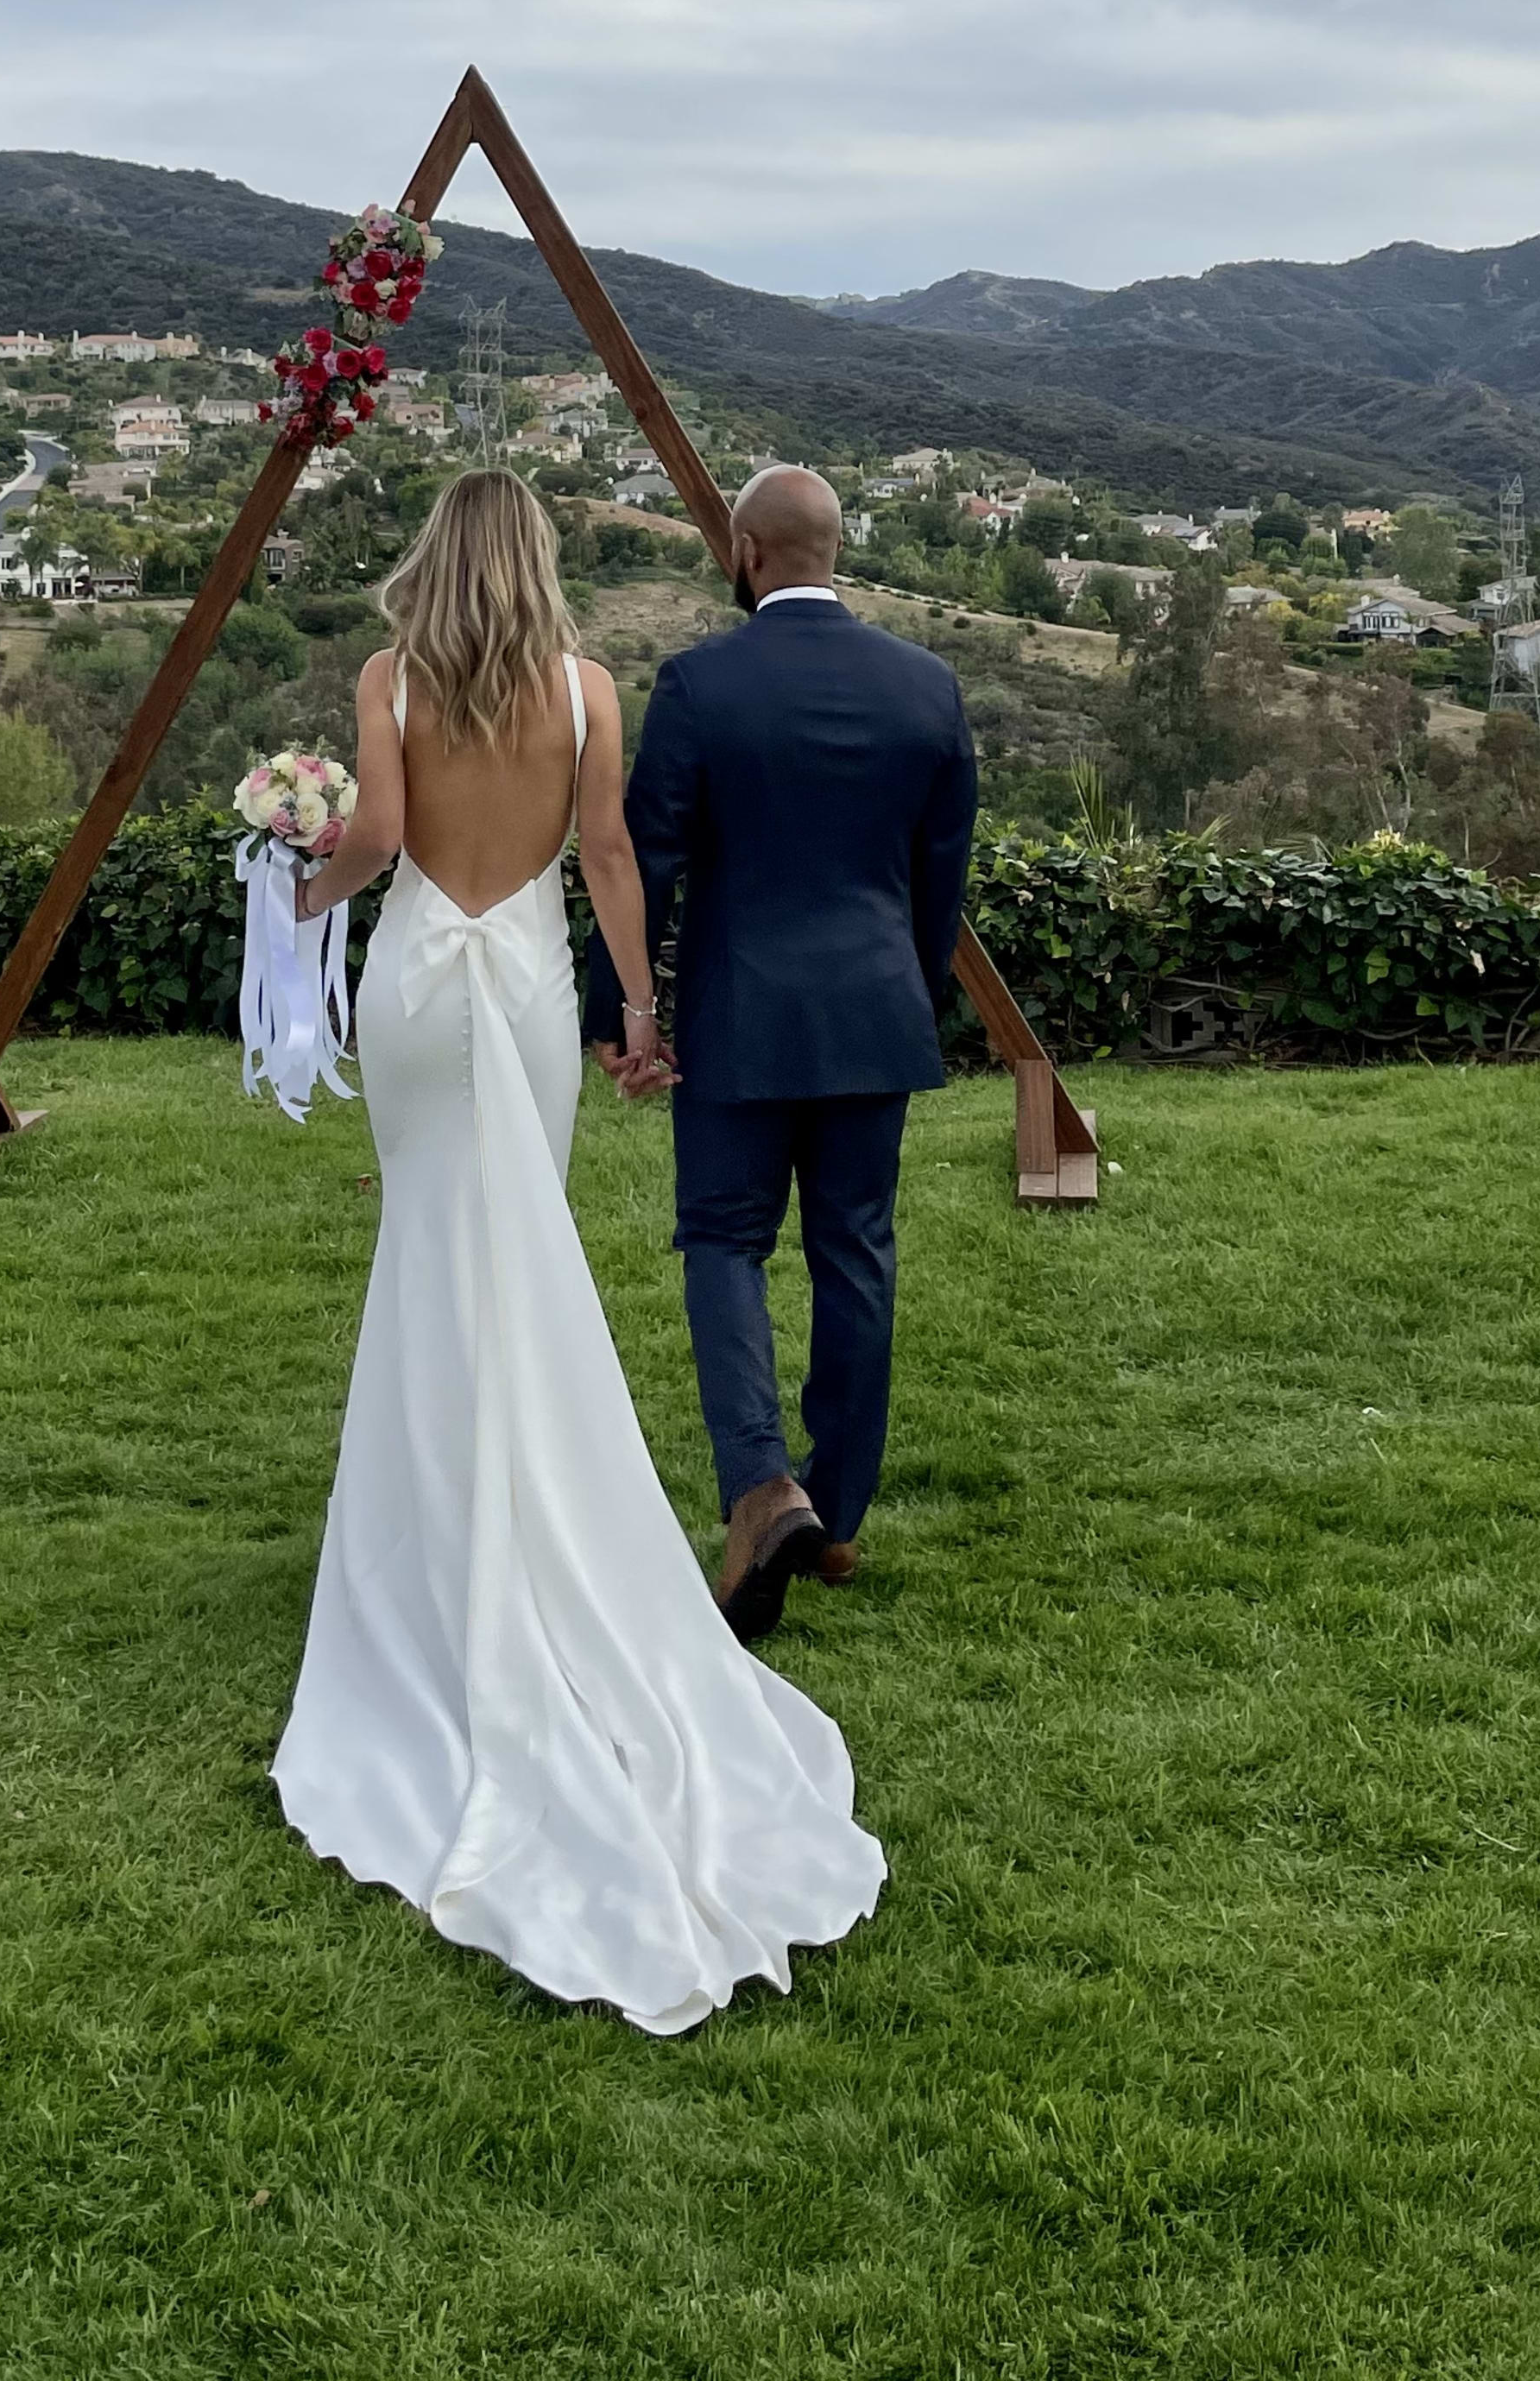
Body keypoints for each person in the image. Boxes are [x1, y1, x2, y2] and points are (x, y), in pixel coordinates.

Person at [270, 467, 884, 2033]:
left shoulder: (387, 676)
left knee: (431, 1248)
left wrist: (297, 880)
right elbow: (610, 860)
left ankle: (431, 1546)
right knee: (517, 1251)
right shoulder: (590, 688)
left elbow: (386, 839)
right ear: (538, 563)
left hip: (416, 982)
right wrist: (644, 1015)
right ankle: (527, 1527)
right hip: (533, 993)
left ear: (432, 561)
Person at [588, 464, 979, 1641]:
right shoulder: (928, 686)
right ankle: (838, 1511)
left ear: (747, 552)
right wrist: (903, 992)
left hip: (737, 1018)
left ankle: (763, 1488)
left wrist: (619, 1012)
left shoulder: (702, 686)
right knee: (857, 1250)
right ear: (834, 547)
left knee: (723, 1240)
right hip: (875, 1015)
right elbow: (939, 876)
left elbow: (644, 856)